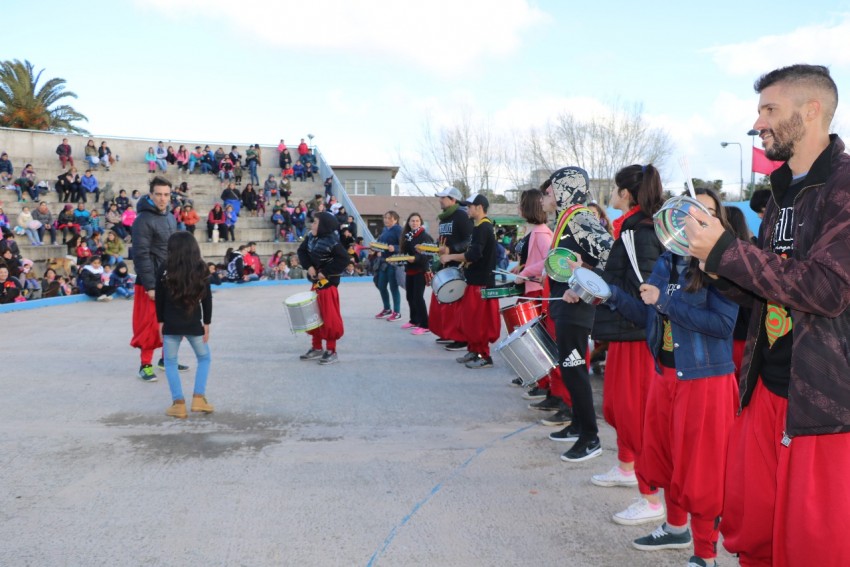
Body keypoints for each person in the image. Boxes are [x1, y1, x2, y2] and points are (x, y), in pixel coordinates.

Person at [683, 64, 850, 566]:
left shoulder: (844, 188)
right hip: (765, 387)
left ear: (812, 110)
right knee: (753, 530)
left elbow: (828, 290)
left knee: (813, 546)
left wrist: (727, 253)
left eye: (769, 109)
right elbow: (768, 290)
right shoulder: (781, 192)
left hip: (822, 404)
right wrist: (714, 266)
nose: (758, 123)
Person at [603, 187, 738, 567]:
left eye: (706, 212)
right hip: (666, 375)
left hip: (705, 382)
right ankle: (676, 529)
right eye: (687, 211)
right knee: (669, 460)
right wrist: (609, 294)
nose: (695, 218)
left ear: (718, 221)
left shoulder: (721, 265)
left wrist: (664, 302)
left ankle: (706, 554)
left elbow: (723, 325)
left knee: (702, 471)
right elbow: (650, 317)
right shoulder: (668, 260)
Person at [587, 164, 665, 526]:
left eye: (617, 190)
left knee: (633, 414)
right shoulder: (633, 227)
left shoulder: (643, 230)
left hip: (636, 334)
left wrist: (604, 290)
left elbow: (647, 290)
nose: (612, 198)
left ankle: (651, 498)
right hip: (623, 330)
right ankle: (627, 466)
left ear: (627, 195)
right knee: (618, 408)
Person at [541, 167, 613, 462]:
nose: (544, 197)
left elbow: (613, 257)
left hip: (577, 308)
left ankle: (590, 437)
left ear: (563, 190)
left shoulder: (581, 217)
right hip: (564, 305)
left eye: (548, 191)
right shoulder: (568, 220)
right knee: (570, 370)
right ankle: (578, 424)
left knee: (576, 371)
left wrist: (584, 282)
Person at [156, 232, 213, 419]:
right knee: (204, 358)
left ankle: (178, 404)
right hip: (193, 323)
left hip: (171, 324)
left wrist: (160, 322)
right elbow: (207, 299)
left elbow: (159, 299)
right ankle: (198, 398)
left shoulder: (164, 268)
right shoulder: (201, 269)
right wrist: (207, 323)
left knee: (170, 362)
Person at [131, 176, 183, 382]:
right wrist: (150, 286)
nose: (163, 199)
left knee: (171, 322)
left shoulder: (170, 217)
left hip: (169, 279)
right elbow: (140, 255)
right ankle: (145, 365)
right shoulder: (142, 220)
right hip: (150, 282)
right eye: (159, 194)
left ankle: (166, 360)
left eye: (166, 195)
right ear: (151, 195)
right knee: (149, 325)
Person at [439, 194, 500, 368]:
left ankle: (484, 356)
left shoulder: (484, 227)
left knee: (478, 322)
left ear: (479, 207)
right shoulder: (479, 226)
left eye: (469, 206)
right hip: (474, 280)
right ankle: (474, 351)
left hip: (481, 282)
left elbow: (473, 255)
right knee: (471, 321)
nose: (466, 209)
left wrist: (450, 256)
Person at [297, 212, 350, 365]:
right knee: (314, 317)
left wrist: (324, 272)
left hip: (328, 286)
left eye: (315, 223)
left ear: (323, 226)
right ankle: (317, 347)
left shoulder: (332, 241)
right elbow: (302, 251)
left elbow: (344, 259)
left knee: (329, 319)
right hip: (315, 284)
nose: (312, 225)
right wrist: (309, 267)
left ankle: (331, 350)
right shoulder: (311, 237)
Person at [430, 187, 473, 349]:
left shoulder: (461, 216)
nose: (440, 200)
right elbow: (444, 241)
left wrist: (451, 250)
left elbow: (470, 240)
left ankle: (462, 338)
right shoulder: (444, 218)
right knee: (446, 303)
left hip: (459, 264)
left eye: (443, 197)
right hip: (445, 264)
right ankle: (449, 333)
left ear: (453, 199)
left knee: (457, 304)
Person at [399, 212, 434, 334]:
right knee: (410, 296)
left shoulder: (425, 237)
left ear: (421, 222)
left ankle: (425, 324)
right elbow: (405, 253)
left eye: (417, 221)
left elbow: (429, 256)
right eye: (412, 221)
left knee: (418, 298)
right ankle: (414, 320)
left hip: (420, 270)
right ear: (408, 223)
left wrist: (415, 258)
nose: (414, 223)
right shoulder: (408, 236)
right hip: (410, 270)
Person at [373, 210, 403, 321]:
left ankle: (397, 312)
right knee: (381, 285)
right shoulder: (385, 230)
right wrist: (376, 248)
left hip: (393, 262)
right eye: (385, 217)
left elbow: (404, 246)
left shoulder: (399, 230)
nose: (386, 220)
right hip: (383, 262)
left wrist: (394, 248)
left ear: (395, 219)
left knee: (393, 287)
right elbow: (380, 243)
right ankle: (387, 309)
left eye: (389, 218)